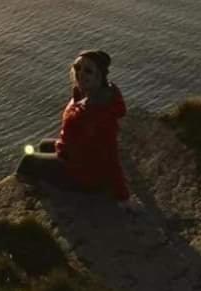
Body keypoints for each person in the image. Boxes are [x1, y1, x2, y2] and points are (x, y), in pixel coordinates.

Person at [16, 49, 130, 202]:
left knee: (28, 161)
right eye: (77, 68)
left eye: (88, 71)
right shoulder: (85, 92)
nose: (80, 73)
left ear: (100, 76)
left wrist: (122, 196)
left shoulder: (99, 112)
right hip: (76, 155)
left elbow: (111, 154)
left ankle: (27, 199)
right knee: (43, 145)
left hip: (83, 175)